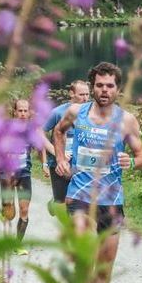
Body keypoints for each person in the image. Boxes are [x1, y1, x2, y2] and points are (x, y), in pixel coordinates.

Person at [53, 62, 142, 283]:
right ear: (91, 86)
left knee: (104, 269)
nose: (104, 90)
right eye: (99, 85)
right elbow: (58, 132)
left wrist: (131, 161)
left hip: (111, 200)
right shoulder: (75, 112)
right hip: (80, 196)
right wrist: (60, 158)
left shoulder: (127, 120)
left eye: (110, 86)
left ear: (117, 89)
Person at [0, 98, 45, 245]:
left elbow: (41, 147)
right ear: (15, 112)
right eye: (20, 110)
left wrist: (44, 165)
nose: (22, 113)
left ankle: (16, 244)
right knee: (10, 213)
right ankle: (5, 210)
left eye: (25, 111)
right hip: (6, 174)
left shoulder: (32, 129)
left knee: (24, 211)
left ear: (29, 113)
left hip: (24, 173)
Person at [44, 79, 91, 207]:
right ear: (71, 93)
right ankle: (55, 203)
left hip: (82, 164)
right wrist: (56, 152)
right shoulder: (58, 112)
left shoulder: (91, 113)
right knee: (61, 203)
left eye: (87, 94)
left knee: (79, 203)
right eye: (81, 95)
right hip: (59, 164)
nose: (85, 98)